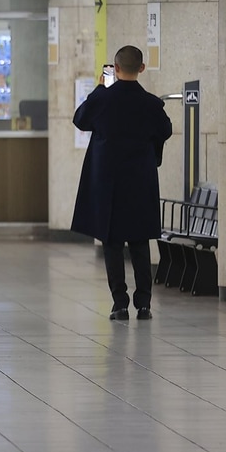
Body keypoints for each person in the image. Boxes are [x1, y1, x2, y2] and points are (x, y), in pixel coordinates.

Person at [71, 45, 172, 321]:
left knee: (112, 241)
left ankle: (120, 303)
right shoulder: (151, 103)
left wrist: (101, 88)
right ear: (141, 68)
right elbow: (166, 130)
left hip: (108, 183)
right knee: (140, 241)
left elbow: (80, 120)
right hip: (140, 181)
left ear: (114, 69)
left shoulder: (103, 99)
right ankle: (145, 303)